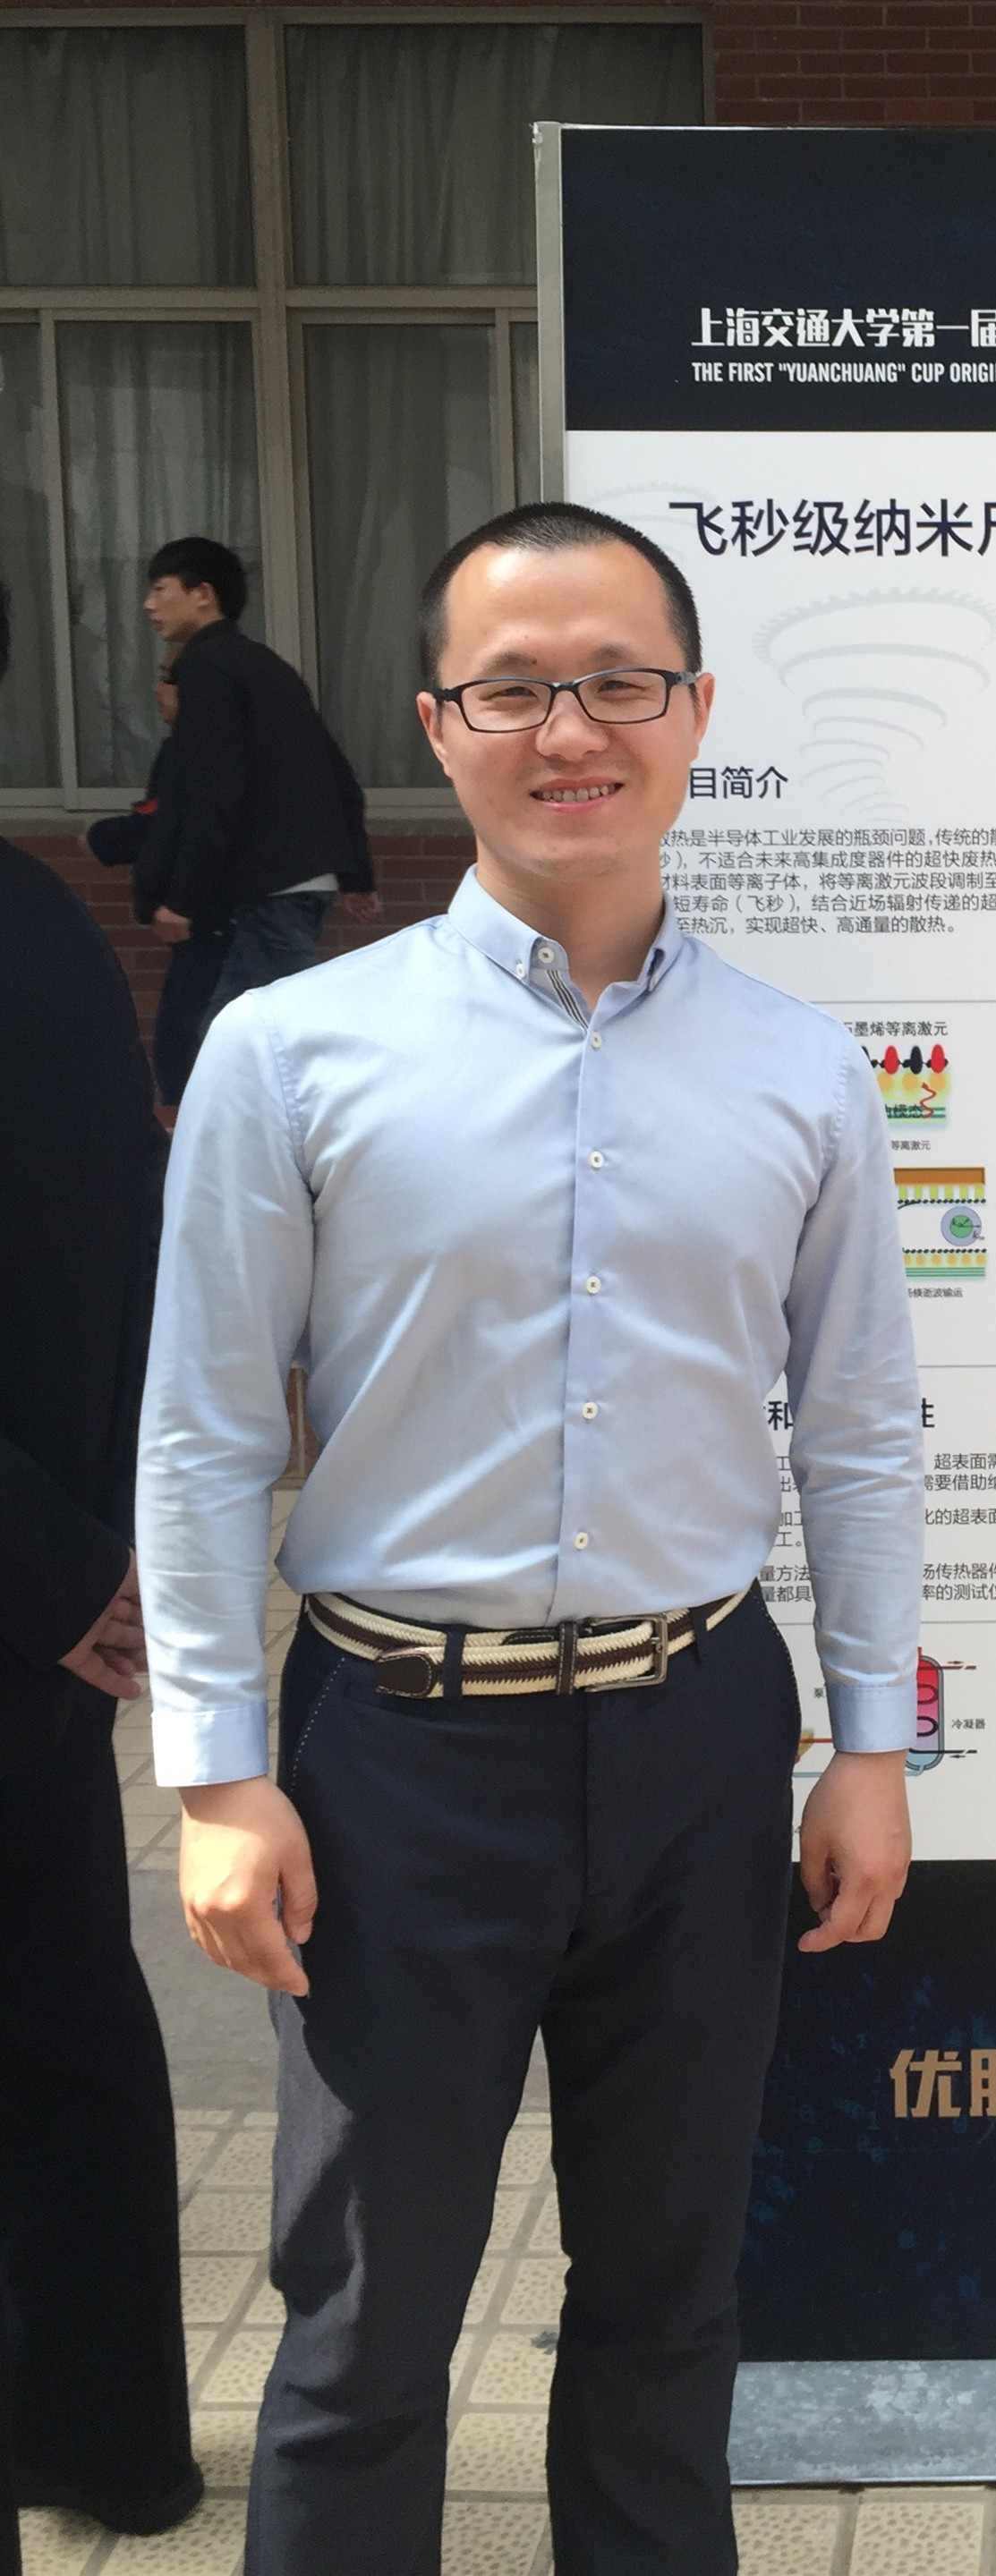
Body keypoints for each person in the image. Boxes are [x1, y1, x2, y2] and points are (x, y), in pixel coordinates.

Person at [138, 502, 924, 2576]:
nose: (569, 730)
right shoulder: (290, 1051)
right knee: (365, 2320)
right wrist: (216, 1771)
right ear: (437, 725)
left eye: (616, 682)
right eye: (512, 690)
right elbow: (205, 1427)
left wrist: (869, 1741)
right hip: (396, 1754)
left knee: (667, 2298)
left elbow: (856, 1424)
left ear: (694, 710)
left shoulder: (802, 1068)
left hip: (697, 1733)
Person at [0, 580, 200, 2563]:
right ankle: (111, 2433)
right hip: (52, 1606)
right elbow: (131, 1254)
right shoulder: (43, 916)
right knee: (61, 2010)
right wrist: (98, 1559)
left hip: (36, 1587)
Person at [140, 536, 379, 1015]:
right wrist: (356, 873)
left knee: (288, 1030)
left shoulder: (205, 667)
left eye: (160, 589)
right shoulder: (266, 666)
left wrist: (182, 898)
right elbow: (336, 774)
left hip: (272, 885)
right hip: (304, 879)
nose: (149, 605)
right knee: (236, 1034)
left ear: (203, 594)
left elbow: (213, 791)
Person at [82, 649, 233, 1107]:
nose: (157, 690)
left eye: (169, 680)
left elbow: (171, 825)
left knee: (185, 1041)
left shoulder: (197, 749)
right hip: (214, 917)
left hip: (214, 918)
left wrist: (100, 838)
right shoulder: (206, 746)